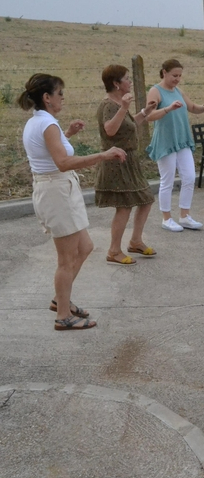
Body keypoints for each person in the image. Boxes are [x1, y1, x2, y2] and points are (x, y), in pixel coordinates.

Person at [18, 73, 126, 330]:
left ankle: (60, 300)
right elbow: (62, 162)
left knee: (85, 247)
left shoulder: (43, 122)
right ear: (47, 98)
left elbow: (51, 151)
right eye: (60, 93)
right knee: (66, 259)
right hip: (56, 191)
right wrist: (103, 154)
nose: (63, 98)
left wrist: (68, 133)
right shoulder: (46, 124)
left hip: (59, 188)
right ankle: (63, 316)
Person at [96, 65, 156, 265]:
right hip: (117, 161)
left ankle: (135, 241)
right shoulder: (109, 105)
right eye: (127, 79)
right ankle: (114, 250)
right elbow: (110, 130)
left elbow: (129, 124)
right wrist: (123, 107)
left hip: (129, 160)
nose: (129, 82)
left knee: (146, 199)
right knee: (124, 207)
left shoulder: (117, 103)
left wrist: (145, 113)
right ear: (116, 83)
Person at [145, 59, 204, 232]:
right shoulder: (155, 91)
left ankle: (184, 216)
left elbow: (192, 107)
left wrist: (203, 107)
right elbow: (149, 115)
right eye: (174, 75)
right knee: (167, 180)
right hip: (166, 141)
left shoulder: (178, 91)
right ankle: (166, 218)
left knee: (189, 177)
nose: (177, 79)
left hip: (182, 140)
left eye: (180, 76)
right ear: (164, 72)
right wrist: (168, 108)